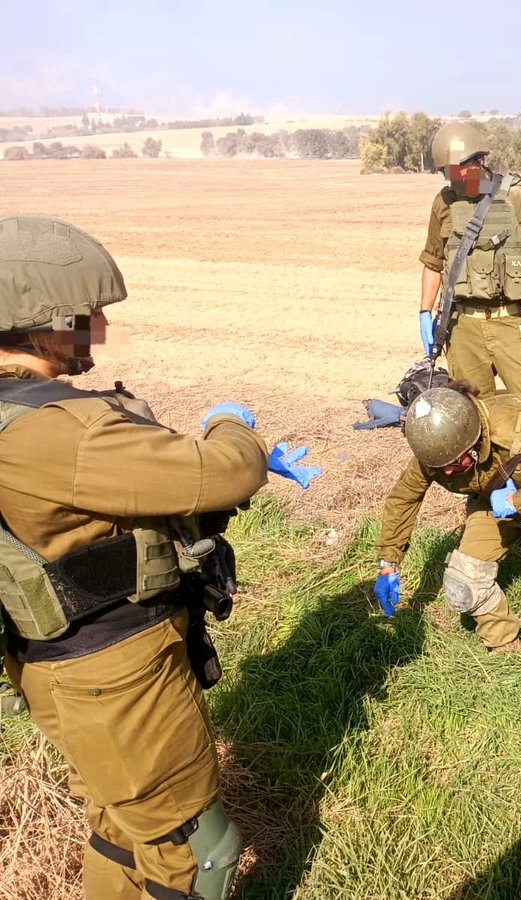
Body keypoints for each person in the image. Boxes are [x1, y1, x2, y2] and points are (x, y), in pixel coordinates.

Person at [0, 216, 318, 898]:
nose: (100, 333)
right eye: (85, 319)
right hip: (116, 677)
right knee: (200, 853)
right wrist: (235, 425)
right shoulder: (57, 434)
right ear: (40, 324)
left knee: (121, 827)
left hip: (58, 669)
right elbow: (223, 472)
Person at [375, 384, 521, 649]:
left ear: (474, 442)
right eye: (438, 467)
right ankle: (503, 640)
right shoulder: (438, 448)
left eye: (455, 464)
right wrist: (388, 561)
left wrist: (517, 501)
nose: (446, 473)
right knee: (463, 586)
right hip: (493, 505)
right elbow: (404, 497)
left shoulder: (519, 433)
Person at [419, 121, 521, 415]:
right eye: (448, 174)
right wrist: (425, 312)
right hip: (463, 328)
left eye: (460, 171)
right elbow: (433, 262)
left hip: (510, 320)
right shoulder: (444, 203)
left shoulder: (520, 196)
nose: (455, 180)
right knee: (472, 414)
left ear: (478, 160)